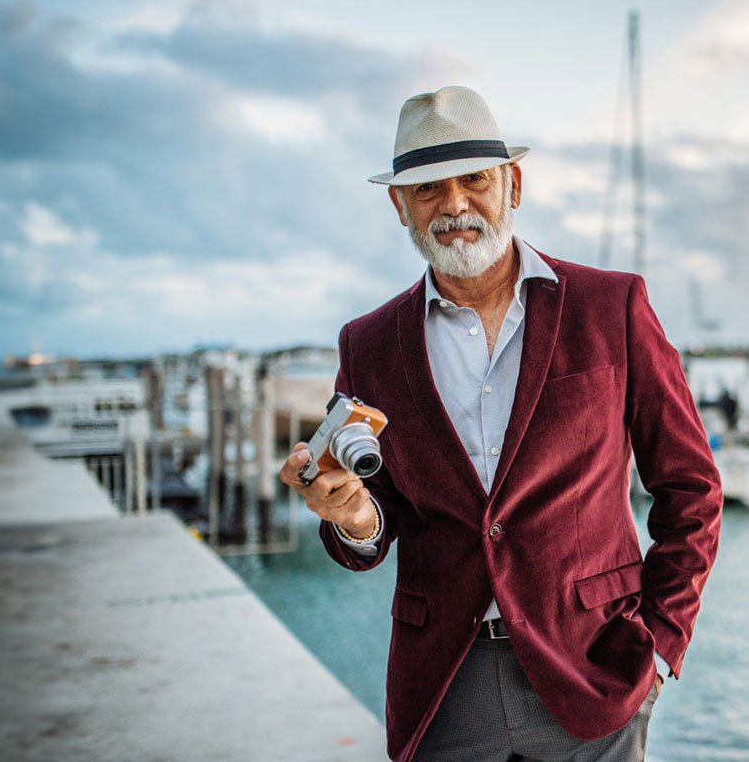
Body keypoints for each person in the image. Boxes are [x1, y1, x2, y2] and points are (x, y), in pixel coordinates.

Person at [279, 86, 721, 762]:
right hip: (445, 685)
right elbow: (375, 523)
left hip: (595, 668)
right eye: (427, 188)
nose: (454, 204)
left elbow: (691, 487)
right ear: (399, 204)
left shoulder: (612, 307)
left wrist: (660, 647)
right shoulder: (367, 344)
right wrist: (351, 515)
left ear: (513, 184)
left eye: (474, 180)